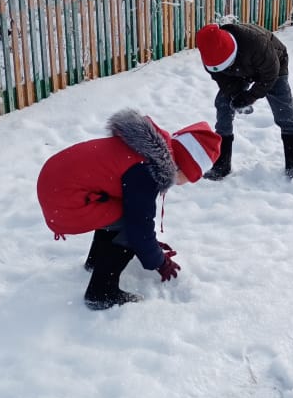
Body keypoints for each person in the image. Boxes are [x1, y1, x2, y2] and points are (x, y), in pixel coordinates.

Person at [36, 108, 222, 310]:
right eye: (194, 176)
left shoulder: (144, 151)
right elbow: (138, 228)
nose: (190, 182)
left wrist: (149, 245)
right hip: (64, 198)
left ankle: (96, 262)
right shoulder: (146, 170)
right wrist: (159, 262)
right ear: (185, 167)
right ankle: (101, 293)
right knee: (129, 225)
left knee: (122, 213)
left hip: (54, 183)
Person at [195, 21, 293, 181]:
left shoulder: (257, 43)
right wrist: (236, 94)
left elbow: (270, 75)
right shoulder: (210, 56)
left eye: (226, 63)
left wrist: (250, 97)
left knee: (284, 112)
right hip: (238, 72)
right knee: (223, 105)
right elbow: (223, 79)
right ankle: (222, 165)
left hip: (273, 66)